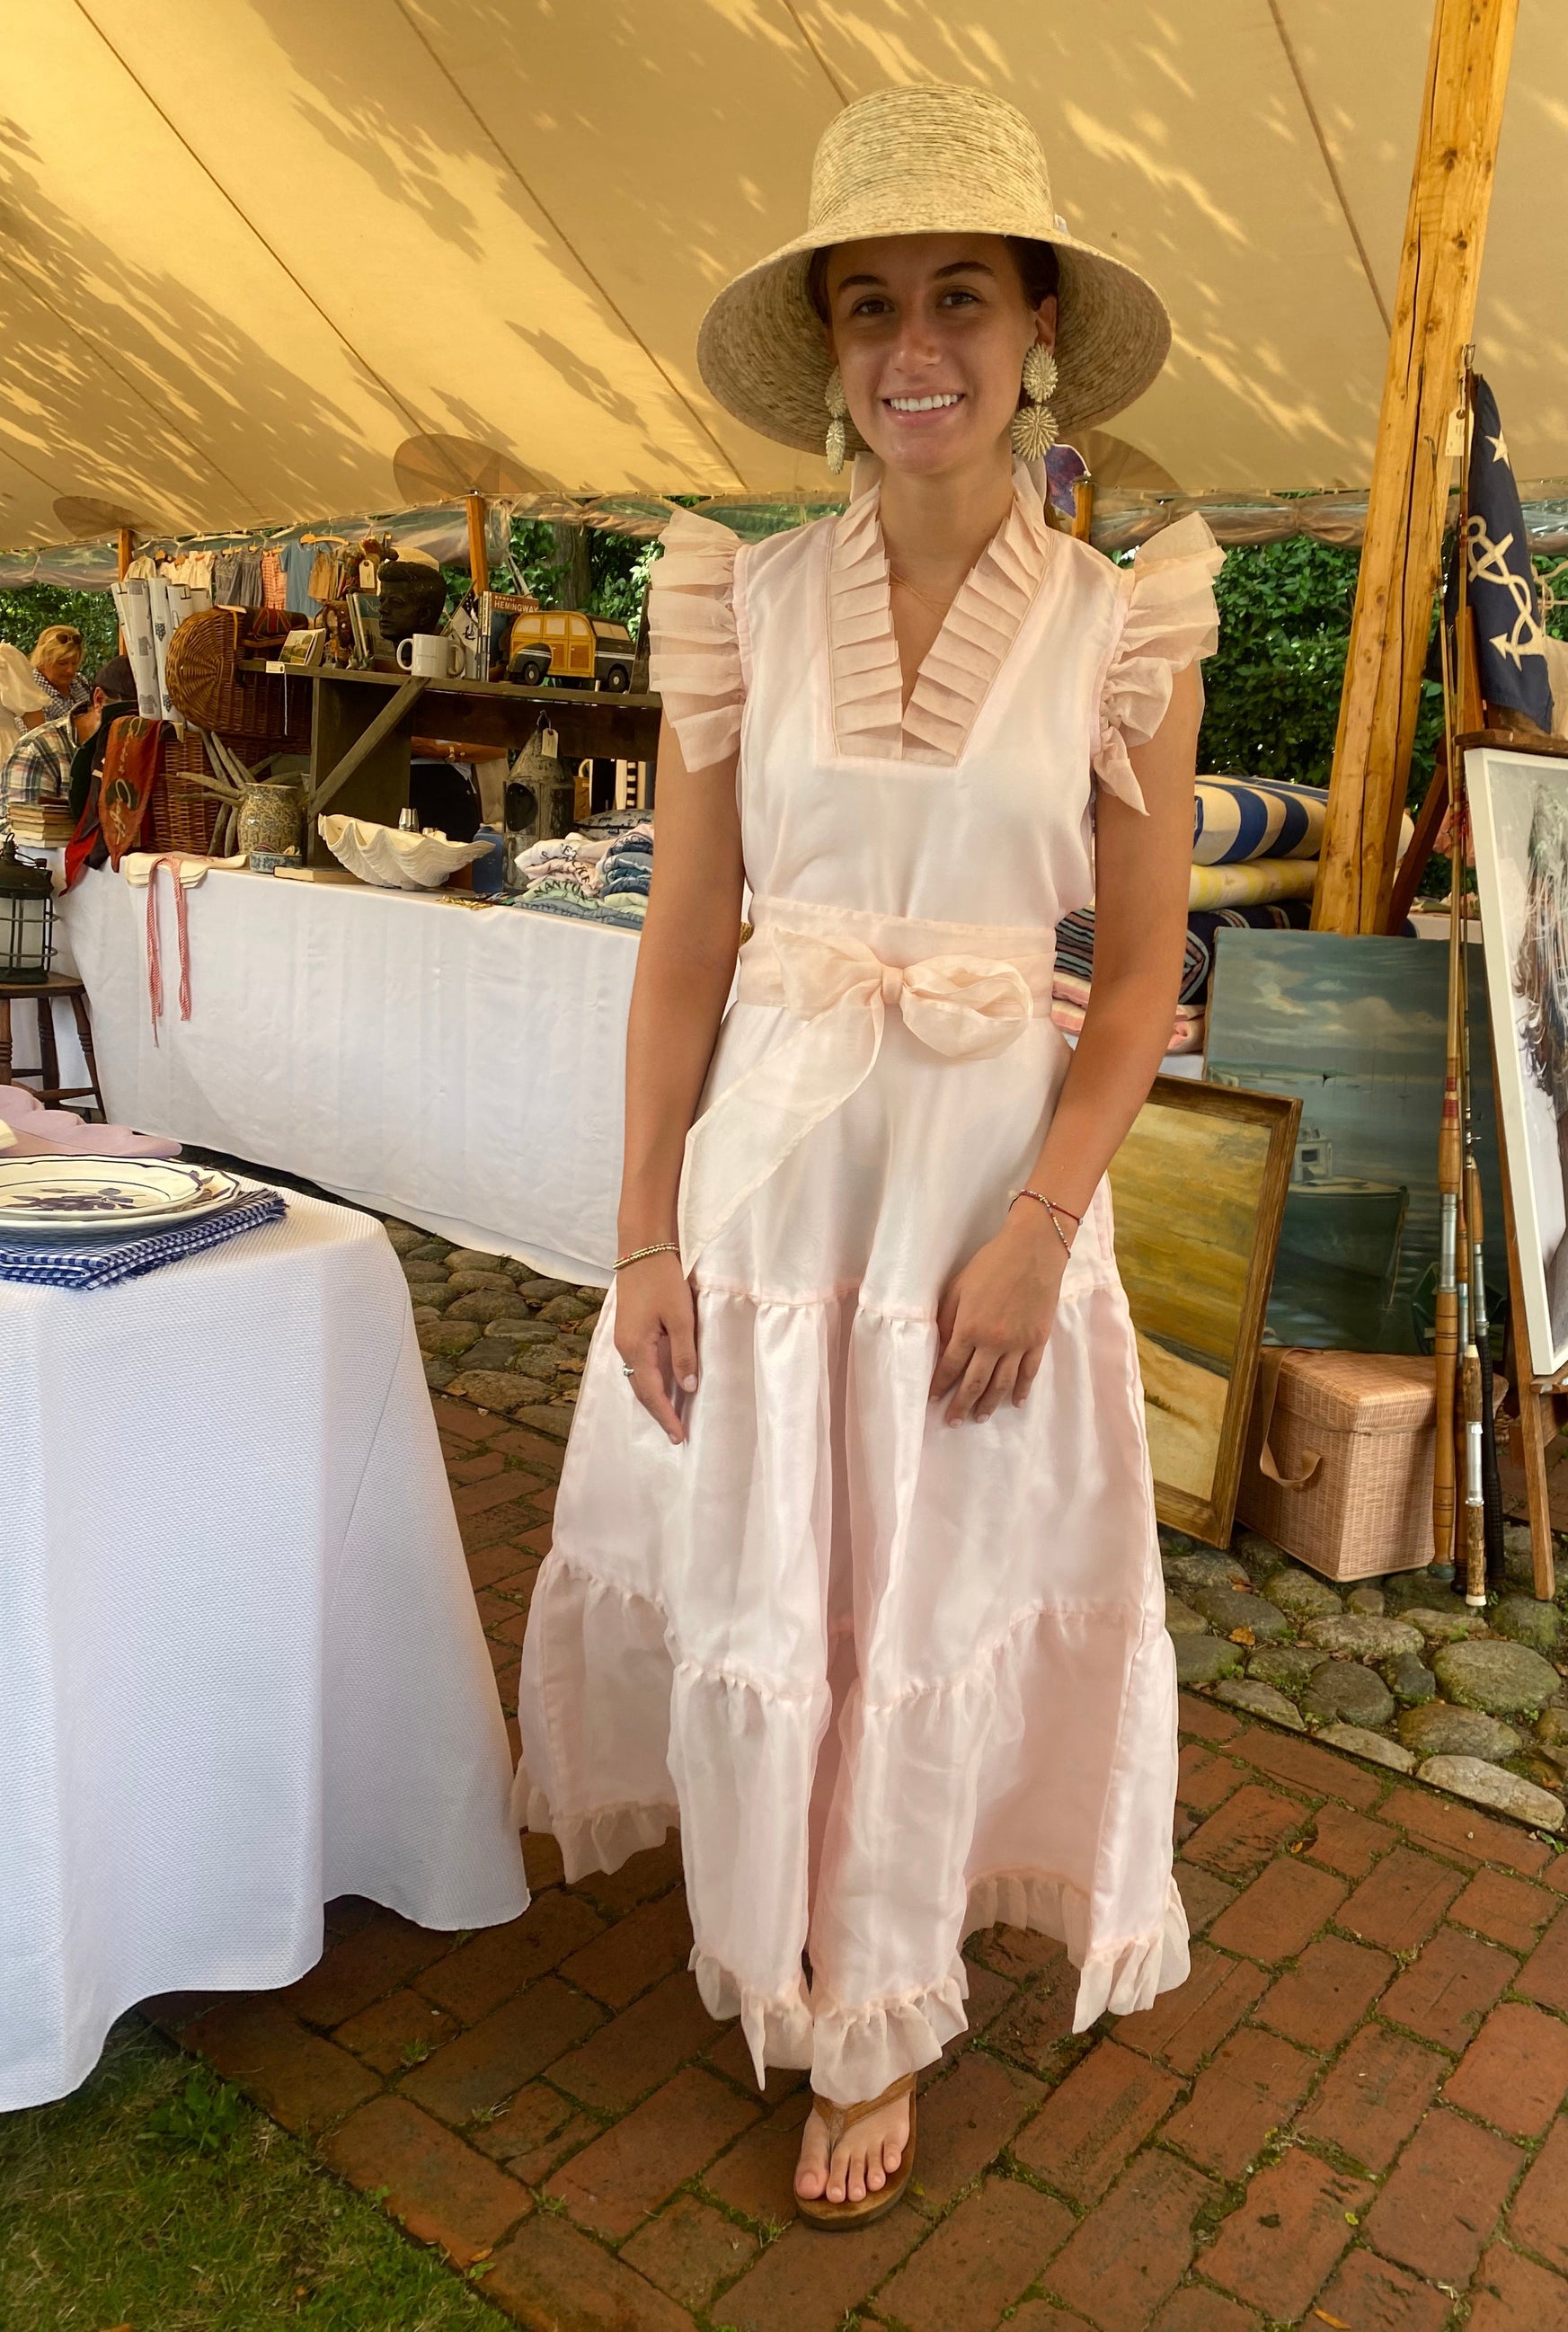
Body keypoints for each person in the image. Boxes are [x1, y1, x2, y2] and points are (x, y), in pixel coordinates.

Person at [515, 84, 1219, 2228]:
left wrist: (1038, 1228)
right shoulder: (736, 603)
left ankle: (884, 2001)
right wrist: (642, 1227)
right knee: (776, 1566)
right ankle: (785, 1939)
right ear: (832, 354)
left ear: (1036, 339)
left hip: (980, 1203)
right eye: (871, 306)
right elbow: (682, 948)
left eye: (962, 299)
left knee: (931, 1579)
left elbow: (1136, 986)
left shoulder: (1127, 622)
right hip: (776, 1186)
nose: (917, 347)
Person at [0, 656, 128, 839]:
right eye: (129, 715)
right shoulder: (38, 751)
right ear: (99, 700)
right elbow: (22, 846)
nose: (138, 727)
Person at [24, 626, 92, 727]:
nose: (70, 670)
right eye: (62, 663)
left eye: (74, 663)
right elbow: (33, 741)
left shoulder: (79, 681)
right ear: (43, 660)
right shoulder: (31, 693)